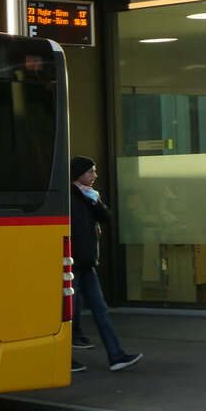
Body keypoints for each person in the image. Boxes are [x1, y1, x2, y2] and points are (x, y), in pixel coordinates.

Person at [69, 156, 142, 372]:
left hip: (87, 262)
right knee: (69, 314)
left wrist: (93, 198)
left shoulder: (88, 197)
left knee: (100, 309)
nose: (94, 176)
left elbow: (106, 217)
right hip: (73, 262)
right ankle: (64, 359)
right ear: (79, 174)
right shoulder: (69, 196)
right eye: (90, 172)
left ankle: (116, 356)